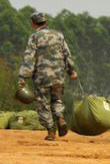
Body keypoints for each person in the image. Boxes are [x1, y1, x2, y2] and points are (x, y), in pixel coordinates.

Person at [17, 12, 78, 141]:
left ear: (33, 23)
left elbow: (29, 58)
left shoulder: (34, 37)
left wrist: (23, 76)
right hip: (59, 76)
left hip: (42, 76)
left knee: (43, 103)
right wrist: (71, 71)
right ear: (45, 22)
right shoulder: (59, 35)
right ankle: (60, 118)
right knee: (57, 99)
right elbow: (67, 54)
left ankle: (51, 131)